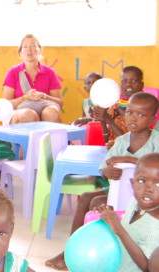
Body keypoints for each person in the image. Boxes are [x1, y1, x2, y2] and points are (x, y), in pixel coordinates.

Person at [46, 92, 159, 270]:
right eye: (129, 112)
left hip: (146, 197)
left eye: (141, 115)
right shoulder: (121, 141)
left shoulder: (156, 141)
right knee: (85, 198)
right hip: (119, 190)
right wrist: (107, 171)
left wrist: (129, 160)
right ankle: (71, 250)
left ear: (152, 119)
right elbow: (104, 167)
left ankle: (104, 254)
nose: (133, 118)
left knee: (97, 203)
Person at [94, 153, 159, 272]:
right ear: (132, 184)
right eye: (142, 181)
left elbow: (147, 267)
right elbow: (128, 226)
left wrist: (119, 230)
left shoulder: (156, 226)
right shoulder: (135, 201)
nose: (148, 189)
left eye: (158, 184)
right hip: (115, 265)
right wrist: (110, 213)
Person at [3, 34, 63, 124]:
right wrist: (25, 98)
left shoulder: (49, 72)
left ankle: (52, 138)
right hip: (19, 113)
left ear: (39, 50)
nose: (29, 49)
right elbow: (6, 105)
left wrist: (44, 96)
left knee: (52, 113)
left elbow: (60, 103)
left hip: (44, 107)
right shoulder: (13, 72)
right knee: (28, 115)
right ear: (20, 52)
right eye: (25, 47)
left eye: (33, 46)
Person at [92, 66, 145, 143]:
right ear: (120, 85)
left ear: (141, 85)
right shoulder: (115, 105)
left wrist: (109, 119)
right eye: (124, 81)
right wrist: (102, 119)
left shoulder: (144, 106)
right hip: (115, 148)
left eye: (134, 80)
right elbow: (106, 139)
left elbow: (129, 144)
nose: (128, 84)